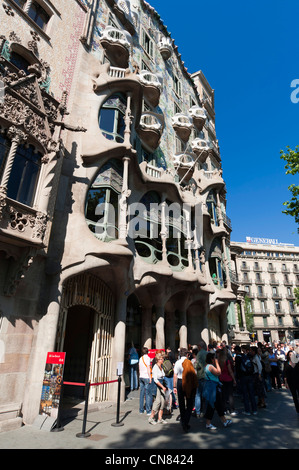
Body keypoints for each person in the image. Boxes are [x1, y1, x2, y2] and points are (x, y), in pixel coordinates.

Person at [202, 352, 232, 430]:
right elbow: (219, 372)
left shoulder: (206, 366)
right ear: (212, 359)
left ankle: (224, 421)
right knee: (213, 405)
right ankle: (209, 423)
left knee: (217, 405)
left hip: (211, 387)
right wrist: (217, 363)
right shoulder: (210, 367)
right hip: (213, 388)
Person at [173, 348, 197, 432]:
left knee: (181, 402)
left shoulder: (177, 362)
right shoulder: (189, 362)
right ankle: (185, 421)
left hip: (179, 382)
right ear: (187, 354)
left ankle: (183, 420)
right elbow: (193, 373)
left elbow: (175, 375)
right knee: (190, 402)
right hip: (187, 382)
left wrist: (174, 386)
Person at [235, 345, 257, 415]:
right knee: (251, 393)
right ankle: (254, 410)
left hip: (243, 377)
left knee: (245, 394)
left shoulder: (238, 357)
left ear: (236, 351)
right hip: (250, 376)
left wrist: (237, 378)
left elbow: (237, 369)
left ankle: (247, 410)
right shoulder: (245, 356)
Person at [148, 352, 168, 425]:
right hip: (157, 386)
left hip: (162, 384)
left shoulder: (161, 367)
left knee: (162, 402)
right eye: (161, 359)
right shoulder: (155, 367)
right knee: (158, 401)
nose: (162, 360)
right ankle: (151, 417)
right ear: (158, 359)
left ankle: (160, 418)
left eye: (163, 358)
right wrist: (162, 386)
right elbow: (155, 379)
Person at [217, 347, 237, 416]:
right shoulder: (227, 361)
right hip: (228, 379)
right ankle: (231, 409)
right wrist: (234, 379)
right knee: (230, 395)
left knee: (223, 395)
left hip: (221, 379)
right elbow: (230, 371)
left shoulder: (218, 361)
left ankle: (224, 409)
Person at [194, 340, 208, 418]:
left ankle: (198, 411)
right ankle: (205, 411)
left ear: (200, 346)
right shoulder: (207, 353)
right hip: (207, 376)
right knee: (205, 395)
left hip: (200, 376)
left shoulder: (199, 354)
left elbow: (197, 366)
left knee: (198, 395)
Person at [138, 347, 152, 415]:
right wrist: (150, 377)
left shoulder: (140, 358)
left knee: (141, 394)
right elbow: (148, 368)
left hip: (141, 376)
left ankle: (141, 410)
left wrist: (140, 374)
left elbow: (139, 368)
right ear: (147, 352)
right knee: (148, 394)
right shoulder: (148, 358)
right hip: (146, 376)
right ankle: (148, 410)